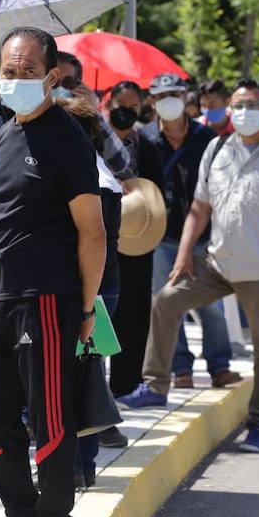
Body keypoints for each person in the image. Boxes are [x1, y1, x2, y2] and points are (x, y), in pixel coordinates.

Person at [0, 27, 105, 517]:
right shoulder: (7, 135)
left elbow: (92, 232)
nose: (14, 80)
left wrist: (87, 309)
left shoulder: (65, 137)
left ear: (50, 76)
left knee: (50, 419)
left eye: (26, 70)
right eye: (6, 70)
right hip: (1, 296)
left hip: (48, 298)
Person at [117, 78, 259, 453]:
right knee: (164, 301)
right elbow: (200, 206)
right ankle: (156, 385)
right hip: (215, 264)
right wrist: (183, 256)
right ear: (230, 110)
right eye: (239, 105)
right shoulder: (218, 148)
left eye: (253, 105)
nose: (245, 112)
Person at [134, 72, 240, 391]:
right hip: (160, 236)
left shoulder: (206, 138)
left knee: (212, 306)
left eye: (175, 95)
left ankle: (220, 366)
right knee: (166, 302)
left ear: (185, 99)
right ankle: (180, 368)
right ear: (152, 102)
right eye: (162, 96)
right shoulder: (144, 139)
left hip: (204, 236)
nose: (169, 101)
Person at [56, 95, 123, 488]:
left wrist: (84, 307)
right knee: (87, 374)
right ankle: (81, 465)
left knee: (79, 378)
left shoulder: (87, 179)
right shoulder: (103, 177)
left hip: (87, 292)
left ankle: (80, 465)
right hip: (100, 288)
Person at [103, 81, 165, 437]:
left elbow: (156, 192)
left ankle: (125, 384)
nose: (125, 110)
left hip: (138, 238)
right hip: (103, 241)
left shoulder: (147, 145)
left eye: (133, 105)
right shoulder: (93, 139)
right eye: (119, 104)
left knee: (134, 313)